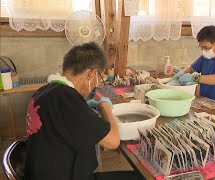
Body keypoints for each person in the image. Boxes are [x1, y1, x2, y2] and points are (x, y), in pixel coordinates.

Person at [25, 42, 141, 180]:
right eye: (100, 78)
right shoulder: (66, 99)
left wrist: (83, 108)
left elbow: (66, 121)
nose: (96, 85)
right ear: (91, 74)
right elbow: (113, 141)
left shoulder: (45, 92)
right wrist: (105, 107)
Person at [173, 25, 215, 107]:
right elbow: (191, 69)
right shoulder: (205, 58)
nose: (203, 51)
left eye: (206, 48)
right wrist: (180, 74)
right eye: (201, 47)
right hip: (204, 102)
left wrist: (194, 78)